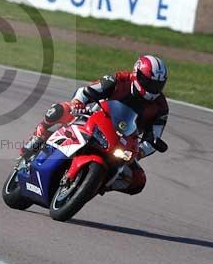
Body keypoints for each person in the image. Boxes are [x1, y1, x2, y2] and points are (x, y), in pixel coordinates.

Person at [20, 55, 169, 195]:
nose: (152, 87)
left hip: (124, 141)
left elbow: (153, 137)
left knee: (138, 181)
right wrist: (77, 103)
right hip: (95, 119)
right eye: (149, 82)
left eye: (157, 84)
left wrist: (140, 152)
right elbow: (86, 92)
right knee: (61, 110)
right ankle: (38, 137)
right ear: (137, 74)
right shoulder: (119, 79)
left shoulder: (161, 107)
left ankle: (97, 184)